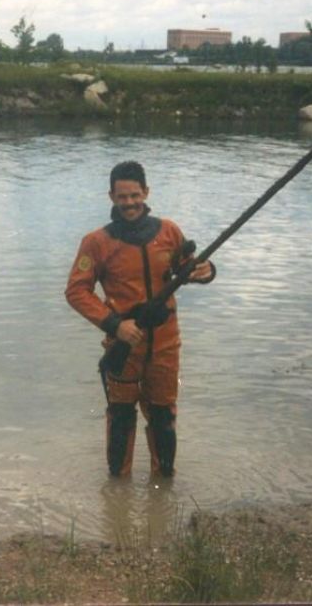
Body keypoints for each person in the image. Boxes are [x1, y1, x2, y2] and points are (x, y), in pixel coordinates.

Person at [65, 161, 215, 478]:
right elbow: (76, 291)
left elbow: (188, 267)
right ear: (111, 197)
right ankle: (117, 495)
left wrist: (205, 271)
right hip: (123, 346)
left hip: (165, 345)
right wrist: (115, 324)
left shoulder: (169, 231)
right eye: (122, 197)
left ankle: (163, 486)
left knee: (163, 418)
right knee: (121, 418)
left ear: (146, 192)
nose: (129, 203)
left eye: (135, 195)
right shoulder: (96, 242)